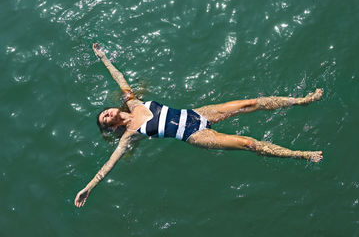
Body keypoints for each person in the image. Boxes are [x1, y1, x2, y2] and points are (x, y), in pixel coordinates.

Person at [74, 43, 323, 208]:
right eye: (104, 119)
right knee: (248, 143)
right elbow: (109, 165)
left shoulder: (134, 102)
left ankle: (302, 101)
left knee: (250, 103)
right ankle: (301, 155)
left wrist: (104, 58)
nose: (106, 114)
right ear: (112, 127)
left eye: (104, 112)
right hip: (195, 134)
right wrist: (88, 188)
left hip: (198, 113)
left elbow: (120, 78)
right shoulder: (129, 136)